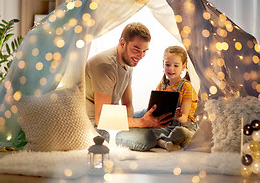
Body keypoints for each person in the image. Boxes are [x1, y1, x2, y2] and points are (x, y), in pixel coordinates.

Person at [85, 22, 172, 151]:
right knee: (146, 139)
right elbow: (102, 119)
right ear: (122, 43)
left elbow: (128, 104)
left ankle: (166, 134)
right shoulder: (105, 66)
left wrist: (139, 122)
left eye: (144, 51)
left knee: (151, 112)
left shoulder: (128, 63)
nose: (141, 56)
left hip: (114, 118)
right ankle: (161, 138)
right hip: (97, 126)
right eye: (136, 50)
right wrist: (142, 123)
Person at [152, 46, 198, 151]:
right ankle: (166, 143)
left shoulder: (186, 87)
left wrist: (179, 116)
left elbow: (184, 118)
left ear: (183, 67)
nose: (171, 68)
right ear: (163, 64)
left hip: (183, 125)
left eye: (176, 65)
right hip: (166, 125)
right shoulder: (161, 86)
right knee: (148, 131)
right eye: (167, 64)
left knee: (180, 132)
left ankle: (164, 141)